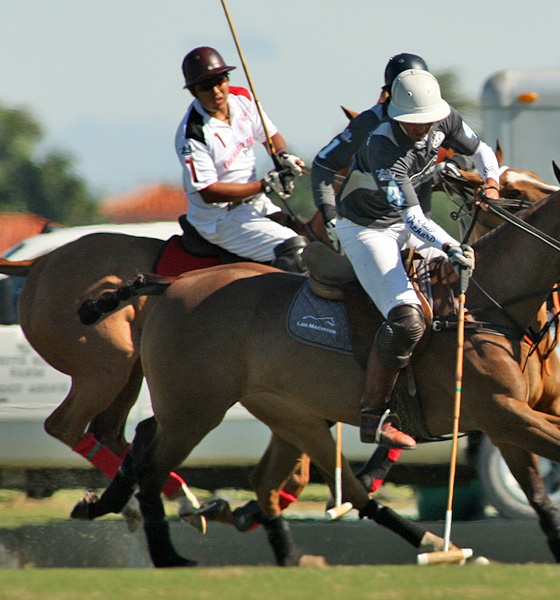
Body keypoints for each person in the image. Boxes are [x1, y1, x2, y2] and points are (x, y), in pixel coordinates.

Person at [335, 69, 502, 449]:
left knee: (468, 284)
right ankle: (373, 417)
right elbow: (412, 218)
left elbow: (481, 151)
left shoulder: (444, 117)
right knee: (407, 319)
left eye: (427, 120)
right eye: (413, 122)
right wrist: (450, 247)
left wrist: (490, 181)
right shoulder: (382, 146)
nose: (421, 128)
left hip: (407, 223)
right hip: (367, 229)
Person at [175, 46, 308, 272]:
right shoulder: (192, 134)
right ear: (194, 92)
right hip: (220, 218)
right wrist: (265, 185)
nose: (216, 91)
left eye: (220, 81)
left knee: (316, 240)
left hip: (256, 204)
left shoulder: (242, 97)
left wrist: (282, 156)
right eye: (206, 87)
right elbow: (208, 192)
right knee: (296, 252)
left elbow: (270, 136)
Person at [311, 53, 429, 251]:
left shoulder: (436, 120)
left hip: (413, 224)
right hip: (369, 227)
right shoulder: (368, 123)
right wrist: (329, 216)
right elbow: (323, 163)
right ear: (390, 92)